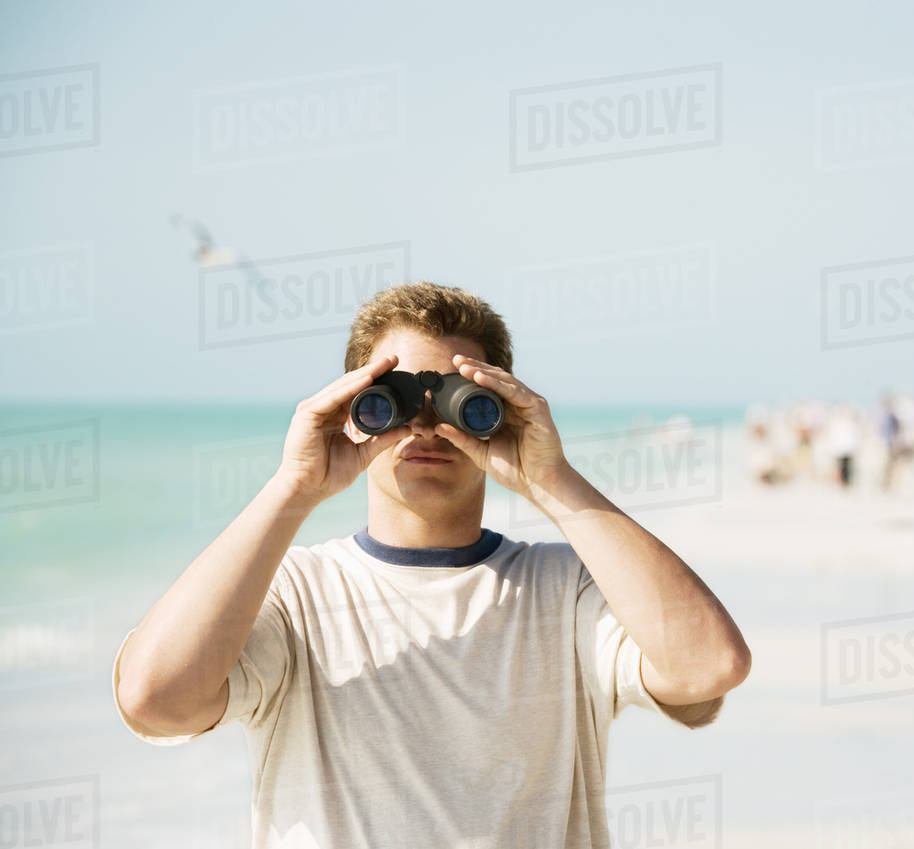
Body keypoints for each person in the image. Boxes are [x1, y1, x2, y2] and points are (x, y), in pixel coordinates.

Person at [112, 282, 752, 848]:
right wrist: (293, 486)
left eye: (454, 399)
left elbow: (708, 666)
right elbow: (155, 699)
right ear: (353, 410)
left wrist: (551, 479)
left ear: (499, 407)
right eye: (391, 397)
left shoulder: (570, 588)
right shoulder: (293, 595)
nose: (423, 424)